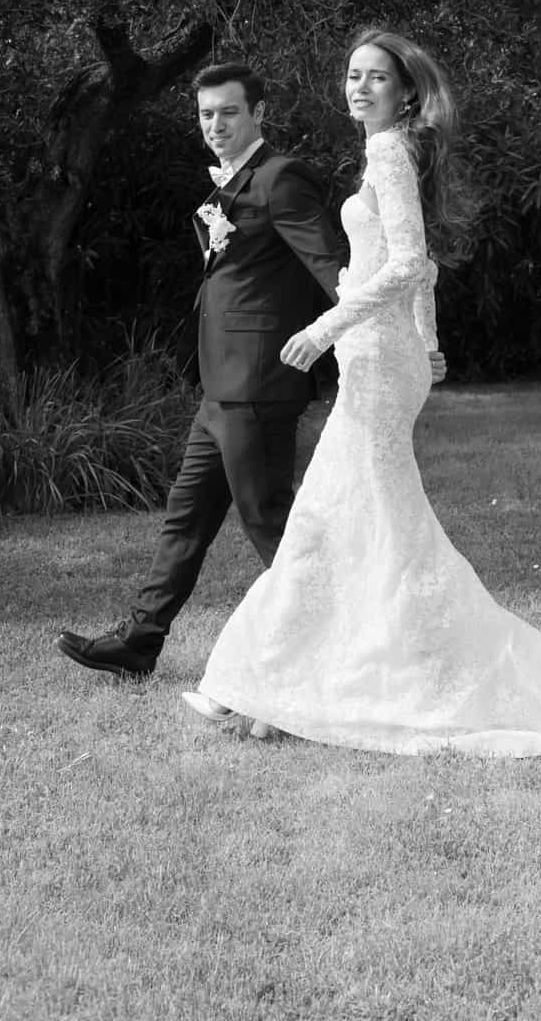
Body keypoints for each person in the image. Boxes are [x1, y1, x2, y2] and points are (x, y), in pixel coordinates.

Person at [183, 31, 541, 763]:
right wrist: (428, 340)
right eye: (353, 76)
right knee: (356, 521)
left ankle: (265, 687)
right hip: (386, 353)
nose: (359, 88)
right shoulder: (393, 149)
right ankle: (281, 686)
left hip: (373, 360)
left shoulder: (388, 153)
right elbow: (423, 272)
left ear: (405, 91)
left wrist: (325, 327)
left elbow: (409, 263)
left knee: (332, 519)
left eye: (375, 79)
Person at [57, 60, 445, 680]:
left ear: (258, 114)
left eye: (229, 112)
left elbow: (334, 266)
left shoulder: (280, 178)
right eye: (206, 114)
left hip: (262, 380)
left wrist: (351, 331)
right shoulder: (227, 187)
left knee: (273, 523)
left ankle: (343, 650)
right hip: (222, 385)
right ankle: (140, 639)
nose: (215, 124)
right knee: (186, 516)